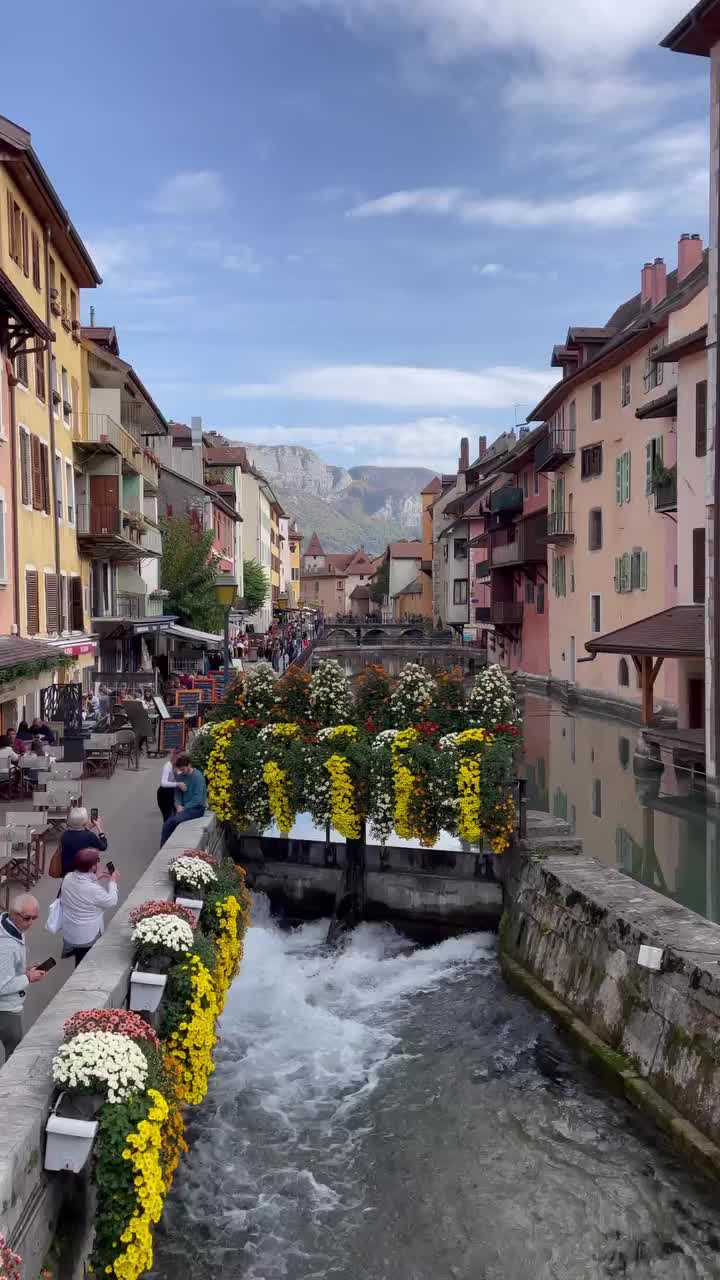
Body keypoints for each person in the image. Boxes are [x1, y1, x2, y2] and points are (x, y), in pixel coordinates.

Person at [0, 894, 46, 1061]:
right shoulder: (6, 946)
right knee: (14, 1056)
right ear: (13, 913)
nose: (31, 923)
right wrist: (28, 977)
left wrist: (24, 970)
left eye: (35, 918)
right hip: (5, 1009)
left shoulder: (9, 925)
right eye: (27, 918)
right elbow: (2, 986)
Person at [60, 849, 118, 967]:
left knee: (79, 958)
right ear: (92, 867)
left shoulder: (68, 878)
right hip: (87, 935)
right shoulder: (93, 890)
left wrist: (96, 877)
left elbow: (83, 887)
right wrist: (113, 882)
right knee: (83, 964)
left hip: (70, 931)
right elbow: (111, 901)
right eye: (97, 861)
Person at [160, 752, 207, 846]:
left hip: (196, 808)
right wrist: (178, 805)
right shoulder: (180, 775)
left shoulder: (198, 777)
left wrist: (184, 807)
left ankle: (165, 846)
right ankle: (164, 846)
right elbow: (177, 793)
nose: (181, 772)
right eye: (180, 770)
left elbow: (198, 798)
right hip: (183, 807)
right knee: (167, 823)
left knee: (172, 822)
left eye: (183, 769)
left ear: (189, 765)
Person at [60, 807, 108, 877]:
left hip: (67, 873)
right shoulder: (89, 836)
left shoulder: (64, 835)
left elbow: (78, 836)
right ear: (84, 821)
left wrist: (87, 828)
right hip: (83, 873)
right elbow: (103, 846)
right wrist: (99, 827)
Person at [157, 748, 179, 822]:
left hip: (172, 792)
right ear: (174, 756)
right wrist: (177, 784)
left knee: (174, 815)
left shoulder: (178, 765)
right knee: (167, 816)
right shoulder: (168, 766)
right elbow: (163, 783)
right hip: (164, 793)